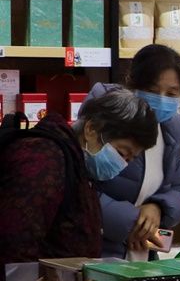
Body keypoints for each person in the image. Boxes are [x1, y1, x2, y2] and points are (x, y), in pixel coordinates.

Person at [0, 90, 157, 264]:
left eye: (129, 159)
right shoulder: (45, 159)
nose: (122, 165)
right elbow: (15, 242)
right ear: (91, 129)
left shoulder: (79, 165)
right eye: (121, 153)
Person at [84, 44, 180, 258]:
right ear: (131, 84)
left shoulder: (170, 132)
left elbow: (179, 188)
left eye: (171, 93)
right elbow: (79, 189)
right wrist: (131, 223)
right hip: (97, 252)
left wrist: (158, 208)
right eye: (152, 91)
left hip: (142, 256)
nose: (161, 100)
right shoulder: (106, 119)